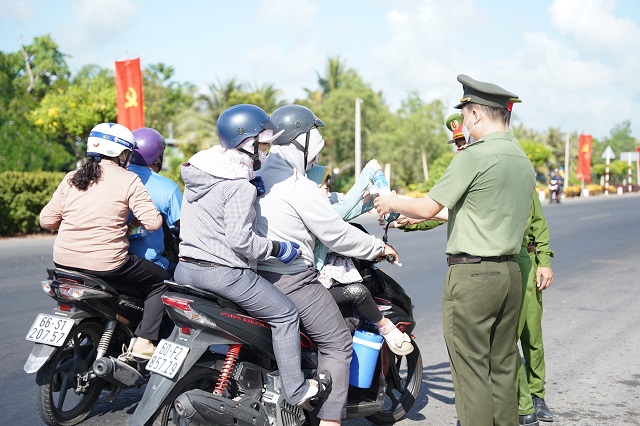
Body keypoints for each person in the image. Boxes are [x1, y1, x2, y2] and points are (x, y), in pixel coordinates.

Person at [375, 74, 536, 426]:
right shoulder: (521, 159)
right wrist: (411, 216)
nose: (463, 123)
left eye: (464, 115)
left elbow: (430, 206)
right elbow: (476, 211)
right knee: (504, 364)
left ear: (476, 115)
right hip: (510, 273)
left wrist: (390, 201)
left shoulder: (474, 156)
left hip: (474, 276)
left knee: (471, 369)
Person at [173, 104, 328, 409]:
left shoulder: (203, 174)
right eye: (264, 144)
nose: (266, 151)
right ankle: (296, 391)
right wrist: (278, 248)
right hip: (224, 273)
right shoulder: (239, 186)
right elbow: (242, 242)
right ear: (249, 143)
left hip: (185, 269)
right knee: (285, 314)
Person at [254, 104, 399, 425]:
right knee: (337, 343)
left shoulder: (255, 176)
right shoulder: (298, 186)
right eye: (315, 149)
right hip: (292, 279)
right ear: (301, 142)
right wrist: (379, 246)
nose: (316, 159)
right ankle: (331, 421)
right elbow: (336, 235)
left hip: (250, 278)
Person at [40, 122, 171, 360]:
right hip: (108, 263)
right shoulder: (128, 179)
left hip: (63, 261)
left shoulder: (72, 177)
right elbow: (153, 223)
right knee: (162, 283)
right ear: (122, 153)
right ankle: (144, 341)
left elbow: (47, 220)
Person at [307, 160, 413, 355]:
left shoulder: (312, 209)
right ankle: (387, 329)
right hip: (310, 285)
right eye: (325, 189)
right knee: (359, 292)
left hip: (305, 280)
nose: (328, 194)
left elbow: (349, 210)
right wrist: (370, 171)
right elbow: (345, 209)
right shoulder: (316, 213)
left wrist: (378, 202)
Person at [517, 194, 555, 424]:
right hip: (496, 263)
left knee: (531, 335)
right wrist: (409, 220)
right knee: (504, 337)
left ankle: (536, 394)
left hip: (527, 261)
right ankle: (516, 395)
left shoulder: (522, 176)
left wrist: (545, 262)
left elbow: (538, 224)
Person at [128, 127, 182, 273]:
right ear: (158, 157)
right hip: (152, 265)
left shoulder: (115, 177)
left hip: (115, 260)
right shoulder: (168, 187)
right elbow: (184, 228)